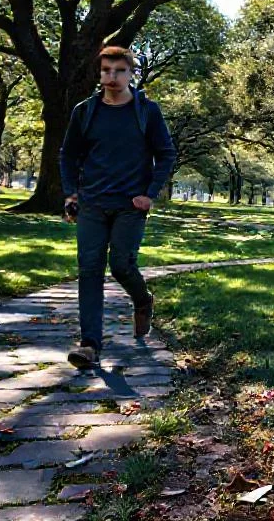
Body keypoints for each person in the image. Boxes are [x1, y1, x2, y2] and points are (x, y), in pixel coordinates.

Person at [59, 46, 176, 370]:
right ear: (100, 74)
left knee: (122, 266)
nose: (112, 76)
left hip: (130, 205)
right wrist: (71, 193)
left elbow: (166, 154)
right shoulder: (85, 111)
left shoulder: (146, 111)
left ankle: (143, 300)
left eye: (119, 70)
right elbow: (68, 154)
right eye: (106, 70)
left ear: (131, 74)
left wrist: (150, 193)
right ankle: (90, 345)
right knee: (89, 270)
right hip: (92, 204)